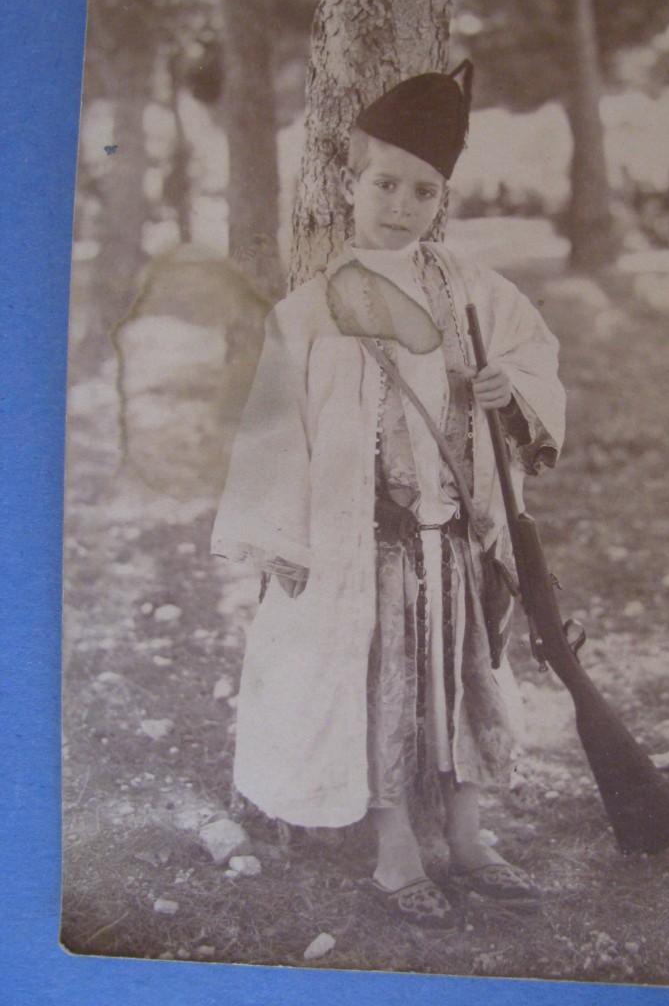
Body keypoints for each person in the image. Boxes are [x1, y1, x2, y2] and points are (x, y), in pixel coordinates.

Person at [211, 62, 566, 928]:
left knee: (462, 688)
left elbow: (536, 359)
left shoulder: (476, 294)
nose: (401, 204)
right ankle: (396, 850)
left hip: (454, 542)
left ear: (441, 197)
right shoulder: (306, 315)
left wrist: (506, 390)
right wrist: (280, 544)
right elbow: (271, 436)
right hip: (361, 548)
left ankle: (471, 840)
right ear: (349, 183)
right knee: (378, 692)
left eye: (423, 189)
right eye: (384, 184)